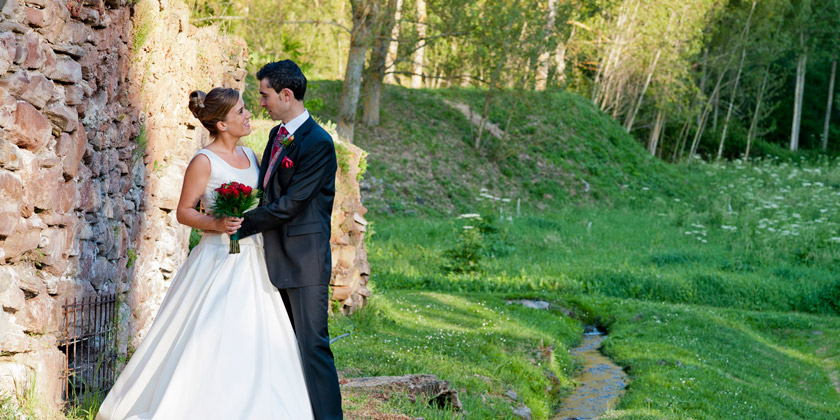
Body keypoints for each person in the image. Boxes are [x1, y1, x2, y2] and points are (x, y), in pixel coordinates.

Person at [96, 87, 313, 420]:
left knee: (260, 335)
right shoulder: (204, 161)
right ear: (222, 124)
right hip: (217, 258)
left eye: (246, 109)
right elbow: (184, 212)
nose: (249, 114)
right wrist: (217, 223)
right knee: (211, 334)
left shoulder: (252, 156)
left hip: (254, 258)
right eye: (241, 111)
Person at [236, 59, 343, 420]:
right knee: (280, 346)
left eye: (264, 95)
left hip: (304, 259)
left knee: (312, 346)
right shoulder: (275, 135)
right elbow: (267, 192)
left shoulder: (319, 143)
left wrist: (238, 224)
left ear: (286, 94)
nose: (260, 103)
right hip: (270, 254)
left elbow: (292, 204)